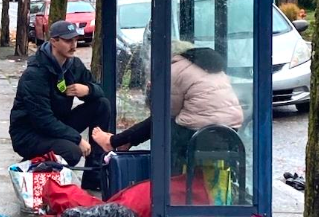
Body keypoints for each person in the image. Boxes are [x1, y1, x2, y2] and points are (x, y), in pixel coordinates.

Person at [9, 20, 111, 190]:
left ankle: (94, 176)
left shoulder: (73, 65)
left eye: (75, 40)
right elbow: (43, 120)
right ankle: (32, 165)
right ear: (54, 41)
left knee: (102, 105)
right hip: (29, 134)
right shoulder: (35, 74)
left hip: (57, 125)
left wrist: (87, 90)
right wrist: (77, 139)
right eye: (68, 40)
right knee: (72, 152)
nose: (74, 45)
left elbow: (100, 91)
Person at [92, 44, 243, 152]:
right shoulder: (207, 66)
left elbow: (165, 111)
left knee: (159, 123)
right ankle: (123, 141)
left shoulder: (176, 68)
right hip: (230, 133)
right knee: (164, 123)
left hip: (201, 136)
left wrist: (153, 91)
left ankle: (113, 142)